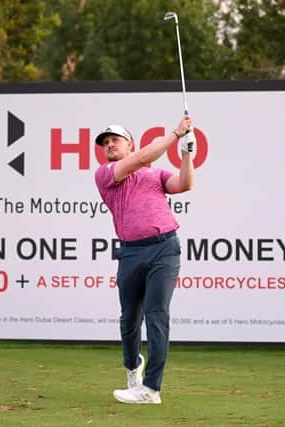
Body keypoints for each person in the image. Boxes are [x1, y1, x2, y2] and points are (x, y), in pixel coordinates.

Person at [94, 115, 196, 404]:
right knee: (129, 320)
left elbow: (184, 184)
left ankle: (151, 389)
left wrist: (187, 155)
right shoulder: (106, 173)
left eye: (115, 140)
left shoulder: (156, 174)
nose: (109, 145)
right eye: (105, 143)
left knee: (157, 315)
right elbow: (141, 159)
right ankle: (132, 366)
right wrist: (177, 133)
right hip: (130, 252)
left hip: (165, 247)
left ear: (130, 144)